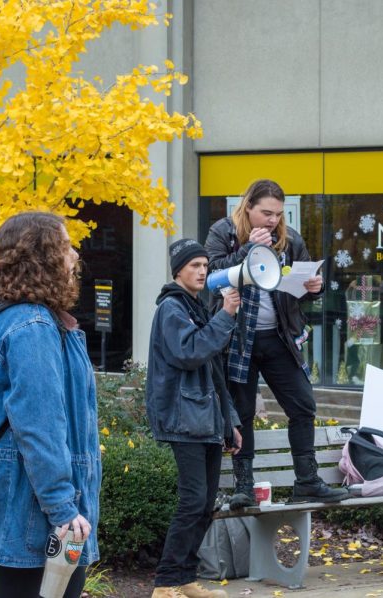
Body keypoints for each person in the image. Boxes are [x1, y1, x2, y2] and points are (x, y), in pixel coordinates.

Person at [0, 212, 99, 598]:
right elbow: (39, 426)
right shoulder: (31, 326)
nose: (75, 254)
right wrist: (63, 511)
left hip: (19, 502)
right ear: (44, 256)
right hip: (33, 513)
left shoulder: (6, 317)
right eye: (67, 245)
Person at [205, 179, 349, 508]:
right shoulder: (224, 231)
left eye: (278, 214)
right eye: (266, 213)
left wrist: (316, 286)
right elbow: (210, 276)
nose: (272, 220)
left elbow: (307, 279)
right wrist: (246, 251)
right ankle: (245, 486)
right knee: (242, 413)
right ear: (248, 207)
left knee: (302, 405)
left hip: (278, 336)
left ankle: (307, 481)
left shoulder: (288, 237)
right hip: (237, 339)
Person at [147, 238, 243, 598]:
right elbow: (191, 351)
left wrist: (228, 420)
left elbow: (215, 374)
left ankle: (184, 578)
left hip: (205, 419)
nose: (202, 271)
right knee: (192, 501)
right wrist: (225, 316)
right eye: (194, 266)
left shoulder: (196, 307)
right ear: (177, 271)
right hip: (183, 417)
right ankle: (165, 583)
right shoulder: (171, 309)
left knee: (204, 504)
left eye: (205, 265)